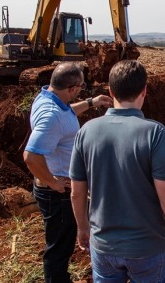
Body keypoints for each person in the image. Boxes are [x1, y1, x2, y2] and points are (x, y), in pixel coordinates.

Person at [69, 60, 165, 283]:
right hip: (147, 248)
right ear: (144, 91)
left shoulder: (86, 131)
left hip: (104, 246)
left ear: (110, 90)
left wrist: (82, 228)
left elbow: (77, 192)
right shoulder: (154, 133)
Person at [23, 62, 113, 283]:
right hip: (57, 194)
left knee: (62, 241)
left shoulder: (47, 98)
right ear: (72, 89)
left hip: (57, 190)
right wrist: (53, 182)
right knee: (59, 247)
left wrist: (91, 103)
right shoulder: (51, 115)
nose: (82, 90)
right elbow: (30, 156)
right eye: (81, 87)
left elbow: (66, 112)